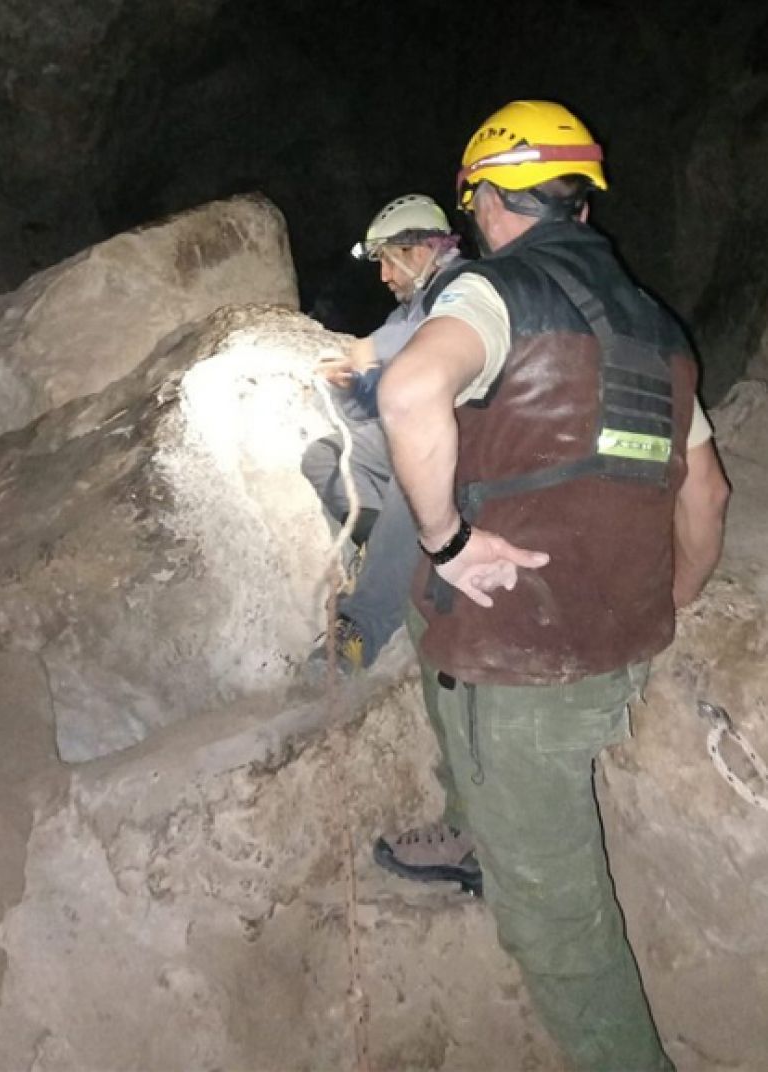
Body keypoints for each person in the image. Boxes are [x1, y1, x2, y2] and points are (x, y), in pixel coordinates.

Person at [376, 100, 729, 1071]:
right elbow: (703, 491)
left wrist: (448, 540)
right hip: (617, 637)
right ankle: (472, 831)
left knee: (561, 928)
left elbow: (408, 394)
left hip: (523, 665)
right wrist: (675, 596)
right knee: (419, 603)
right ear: (581, 201)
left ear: (487, 200)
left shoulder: (490, 294)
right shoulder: (658, 330)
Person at [303, 194, 466, 672]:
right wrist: (350, 388)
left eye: (389, 262)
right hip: (415, 437)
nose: (384, 276)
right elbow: (365, 415)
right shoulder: (405, 314)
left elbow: (446, 330)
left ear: (419, 252)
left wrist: (370, 348)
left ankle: (362, 628)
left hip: (468, 443)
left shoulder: (465, 285)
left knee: (411, 478)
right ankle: (387, 551)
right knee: (326, 456)